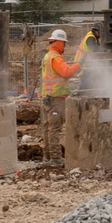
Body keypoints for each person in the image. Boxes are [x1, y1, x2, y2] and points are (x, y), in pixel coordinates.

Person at [40, 29, 82, 162]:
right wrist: (78, 64)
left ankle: (47, 156)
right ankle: (56, 157)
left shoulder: (48, 56)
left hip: (47, 97)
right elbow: (66, 72)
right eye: (64, 43)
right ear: (58, 42)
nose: (65, 46)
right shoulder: (55, 57)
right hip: (56, 98)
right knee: (54, 129)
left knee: (48, 128)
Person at [75, 22, 100, 92]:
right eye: (97, 31)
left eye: (99, 31)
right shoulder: (90, 38)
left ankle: (86, 92)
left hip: (86, 62)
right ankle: (83, 94)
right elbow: (94, 49)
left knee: (88, 80)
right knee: (85, 81)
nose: (98, 33)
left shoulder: (94, 37)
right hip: (82, 62)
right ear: (94, 30)